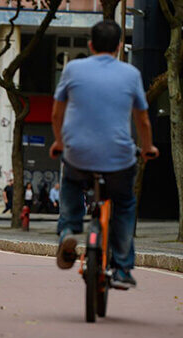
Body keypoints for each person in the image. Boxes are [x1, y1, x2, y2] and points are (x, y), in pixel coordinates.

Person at [49, 20, 159, 289]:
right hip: (119, 159)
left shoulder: (73, 69)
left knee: (72, 183)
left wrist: (60, 142)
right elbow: (143, 120)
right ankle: (122, 268)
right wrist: (148, 148)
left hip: (78, 154)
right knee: (124, 204)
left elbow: (56, 113)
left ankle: (69, 230)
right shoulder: (131, 74)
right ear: (120, 47)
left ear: (90, 45)